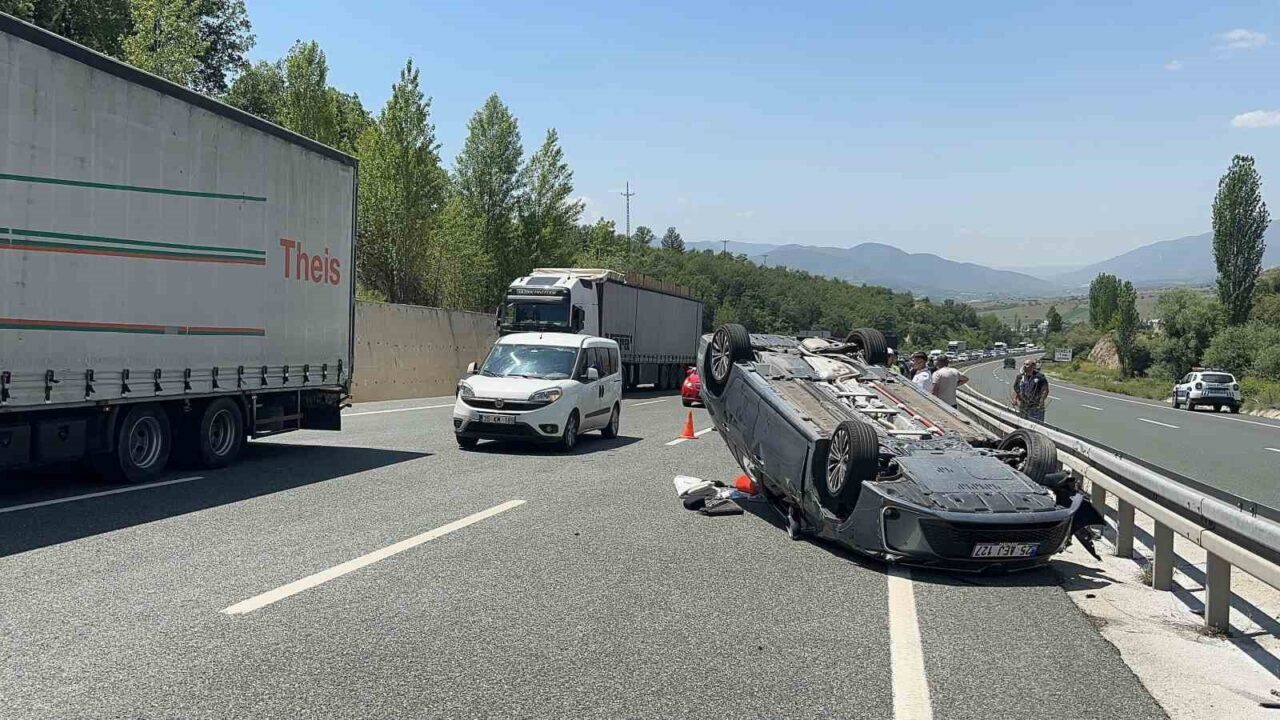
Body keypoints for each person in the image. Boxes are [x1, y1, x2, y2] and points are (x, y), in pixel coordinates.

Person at [1014, 358, 1049, 422]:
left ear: (1033, 366)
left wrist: (1041, 401)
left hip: (1036, 406)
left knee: (1036, 424)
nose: (1025, 366)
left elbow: (1045, 390)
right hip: (1024, 405)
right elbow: (1017, 389)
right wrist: (1015, 399)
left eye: (1027, 364)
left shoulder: (1039, 377)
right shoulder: (1020, 377)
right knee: (1023, 422)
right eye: (1024, 364)